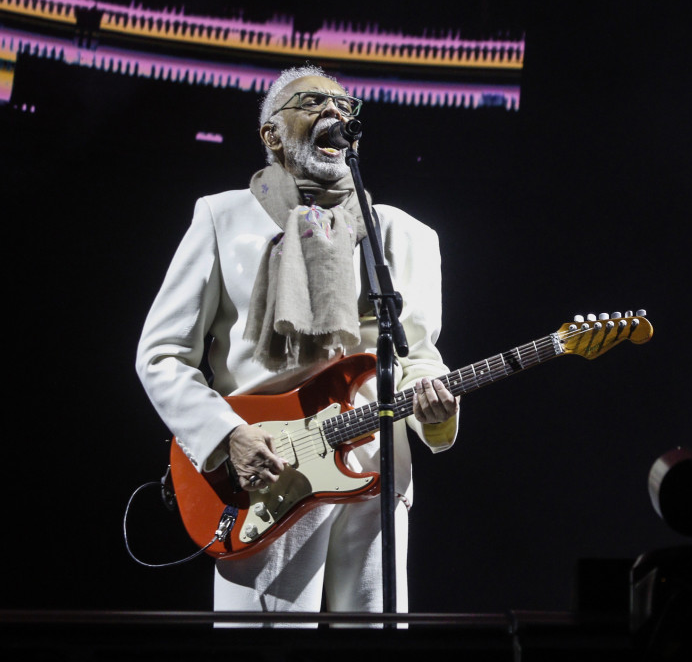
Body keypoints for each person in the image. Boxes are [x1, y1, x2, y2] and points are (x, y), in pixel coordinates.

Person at [136, 64, 460, 616]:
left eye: (346, 107)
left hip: (375, 468)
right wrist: (226, 437)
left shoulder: (404, 235)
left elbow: (417, 356)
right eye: (313, 103)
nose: (336, 113)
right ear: (272, 134)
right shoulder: (222, 218)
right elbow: (162, 355)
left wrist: (433, 403)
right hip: (266, 468)